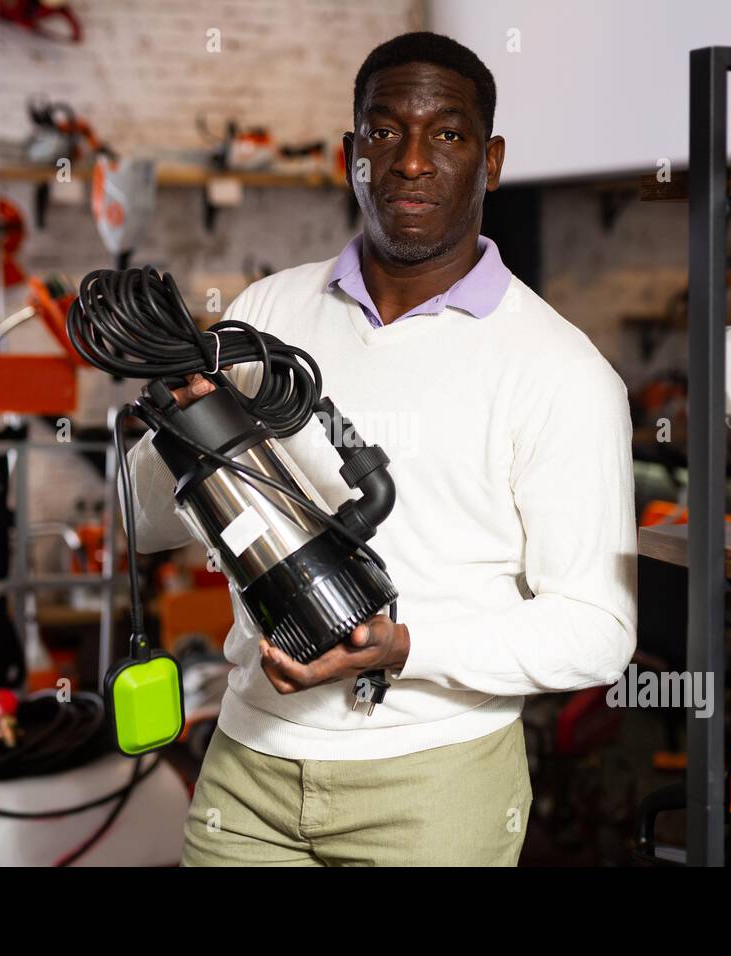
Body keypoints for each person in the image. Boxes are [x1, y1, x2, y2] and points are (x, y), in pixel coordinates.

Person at [129, 31, 637, 866]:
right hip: (247, 768)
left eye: (447, 133)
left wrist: (406, 648)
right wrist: (183, 429)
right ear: (350, 154)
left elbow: (596, 631)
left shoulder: (561, 371)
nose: (409, 160)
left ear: (491, 160)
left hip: (435, 788)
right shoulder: (266, 316)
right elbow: (153, 524)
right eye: (383, 130)